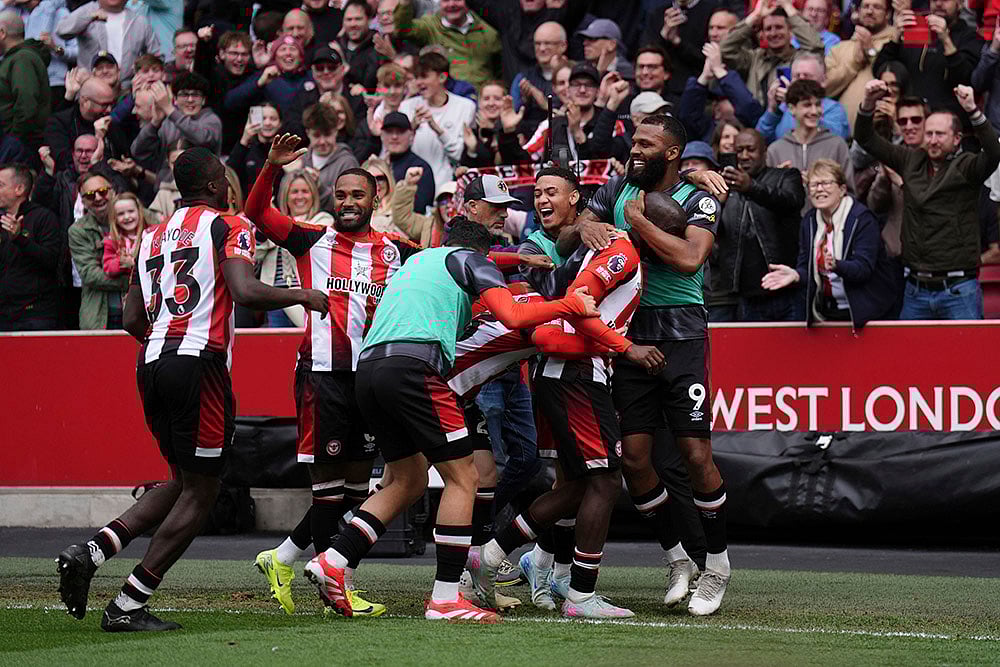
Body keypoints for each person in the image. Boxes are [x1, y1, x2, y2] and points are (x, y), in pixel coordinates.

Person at [56, 146, 329, 632]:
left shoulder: (153, 234)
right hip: (198, 364)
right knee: (203, 492)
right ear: (217, 186)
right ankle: (128, 604)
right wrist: (303, 295)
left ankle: (92, 550)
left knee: (182, 480)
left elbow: (132, 318)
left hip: (152, 362)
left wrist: (168, 338)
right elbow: (244, 291)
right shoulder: (228, 224)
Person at [304, 212, 598, 622]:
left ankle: (334, 559)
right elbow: (513, 315)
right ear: (479, 253)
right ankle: (445, 597)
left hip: (369, 369)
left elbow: (484, 269)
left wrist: (520, 261)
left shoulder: (418, 260)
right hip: (414, 367)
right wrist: (570, 304)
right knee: (466, 478)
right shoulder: (470, 261)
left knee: (406, 481)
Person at [567, 113, 731, 616]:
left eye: (645, 143)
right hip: (629, 336)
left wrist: (637, 223)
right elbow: (577, 225)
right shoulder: (618, 186)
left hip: (682, 335)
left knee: (695, 455)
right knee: (634, 458)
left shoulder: (699, 198)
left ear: (672, 153)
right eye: (633, 141)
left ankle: (718, 567)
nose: (634, 149)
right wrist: (590, 223)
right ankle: (678, 558)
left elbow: (688, 259)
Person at [857, 79, 1000, 319]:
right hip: (916, 288)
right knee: (909, 356)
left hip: (958, 289)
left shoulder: (967, 167)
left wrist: (972, 110)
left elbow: (994, 152)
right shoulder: (910, 160)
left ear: (957, 139)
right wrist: (868, 103)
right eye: (929, 133)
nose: (933, 140)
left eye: (940, 134)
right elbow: (866, 139)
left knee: (966, 355)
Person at [762, 158, 901, 329]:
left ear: (842, 189)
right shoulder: (809, 221)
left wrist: (837, 265)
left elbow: (863, 269)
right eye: (814, 185)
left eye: (826, 183)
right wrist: (796, 275)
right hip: (827, 311)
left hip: (867, 314)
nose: (819, 189)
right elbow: (807, 268)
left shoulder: (861, 219)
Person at [716, 128, 805, 321]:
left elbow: (791, 200)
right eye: (739, 151)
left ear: (765, 151)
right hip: (745, 297)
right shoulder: (726, 188)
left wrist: (751, 187)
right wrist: (717, 204)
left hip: (786, 292)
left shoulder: (787, 176)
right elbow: (716, 235)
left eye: (751, 149)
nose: (744, 156)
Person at [873, 0, 982, 131]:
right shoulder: (915, 29)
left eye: (945, 0)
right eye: (934, 0)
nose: (939, 4)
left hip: (949, 127)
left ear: (959, 4)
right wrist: (895, 37)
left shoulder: (970, 37)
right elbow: (880, 69)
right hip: (912, 123)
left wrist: (946, 40)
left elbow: (967, 80)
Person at [398, 51, 476, 195]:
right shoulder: (407, 106)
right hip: (413, 184)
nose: (419, 82)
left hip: (447, 188)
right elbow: (399, 150)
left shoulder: (465, 107)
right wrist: (412, 129)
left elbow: (458, 154)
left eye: (424, 76)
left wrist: (437, 129)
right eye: (417, 77)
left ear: (442, 77)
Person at [720, 0, 824, 106]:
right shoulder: (754, 58)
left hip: (791, 118)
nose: (773, 33)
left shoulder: (800, 59)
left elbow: (815, 47)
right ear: (763, 34)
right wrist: (755, 16)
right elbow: (725, 49)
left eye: (779, 27)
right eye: (768, 29)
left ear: (790, 31)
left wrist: (789, 10)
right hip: (756, 120)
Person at [765, 79, 852, 204]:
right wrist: (779, 179)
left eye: (817, 104)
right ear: (791, 108)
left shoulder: (837, 145)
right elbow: (766, 197)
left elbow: (850, 192)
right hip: (788, 221)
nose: (814, 111)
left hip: (828, 221)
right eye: (807, 105)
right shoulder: (775, 150)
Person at [0, 162, 60, 330]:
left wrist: (19, 238)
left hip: (35, 315)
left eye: (1, 185)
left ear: (19, 189)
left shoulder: (44, 218)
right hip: (4, 315)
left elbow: (51, 261)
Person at [643, 5, 741, 107]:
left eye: (720, 28)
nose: (713, 33)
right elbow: (644, 54)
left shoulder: (742, 55)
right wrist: (665, 37)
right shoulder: (657, 13)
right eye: (711, 28)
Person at [67, 172, 129, 329]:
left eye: (102, 191)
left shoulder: (137, 216)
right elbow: (90, 274)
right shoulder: (78, 230)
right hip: (100, 317)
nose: (98, 198)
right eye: (89, 195)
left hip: (138, 312)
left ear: (113, 191)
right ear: (83, 202)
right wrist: (130, 282)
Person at [392, 0, 501, 89]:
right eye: (446, 0)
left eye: (457, 0)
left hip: (483, 99)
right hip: (448, 99)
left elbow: (501, 66)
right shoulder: (431, 26)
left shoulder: (486, 27)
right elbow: (403, 29)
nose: (451, 4)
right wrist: (405, 3)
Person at [131, 72, 222, 179]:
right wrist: (155, 123)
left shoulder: (211, 120)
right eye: (184, 94)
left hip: (201, 187)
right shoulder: (167, 123)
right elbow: (138, 152)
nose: (190, 100)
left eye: (196, 95)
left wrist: (170, 110)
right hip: (166, 188)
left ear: (203, 100)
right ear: (175, 99)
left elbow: (202, 138)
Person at [56, 0, 161, 91]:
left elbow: (157, 56)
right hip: (91, 92)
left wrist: (142, 76)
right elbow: (62, 31)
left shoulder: (139, 21)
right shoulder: (87, 11)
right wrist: (90, 17)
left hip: (126, 91)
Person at [824, 0, 894, 131]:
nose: (869, 11)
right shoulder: (839, 48)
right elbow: (825, 89)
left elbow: (894, 80)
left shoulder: (895, 43)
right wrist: (854, 64)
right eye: (865, 6)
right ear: (858, 11)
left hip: (882, 134)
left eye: (877, 7)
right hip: (841, 134)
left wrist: (870, 52)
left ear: (888, 14)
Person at [756, 51, 850, 143]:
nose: (800, 82)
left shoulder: (833, 109)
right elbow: (760, 140)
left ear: (823, 81)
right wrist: (773, 110)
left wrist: (804, 107)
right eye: (796, 76)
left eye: (807, 76)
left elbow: (835, 140)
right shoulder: (783, 108)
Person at [283, 103, 360, 210]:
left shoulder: (347, 163)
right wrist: (289, 175)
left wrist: (319, 186)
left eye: (327, 134)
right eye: (316, 135)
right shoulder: (299, 159)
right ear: (308, 133)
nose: (322, 141)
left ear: (336, 132)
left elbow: (348, 206)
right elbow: (284, 202)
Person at [45, 76, 129, 173]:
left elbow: (122, 156)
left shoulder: (111, 124)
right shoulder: (59, 123)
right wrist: (98, 139)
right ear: (85, 101)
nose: (109, 110)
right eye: (104, 105)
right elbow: (64, 163)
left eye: (112, 104)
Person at [0, 11, 52, 156]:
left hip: (19, 143)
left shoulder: (22, 59)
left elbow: (26, 103)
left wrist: (14, 137)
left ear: (2, 32)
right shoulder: (14, 58)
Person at [510, 22, 569, 134]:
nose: (542, 48)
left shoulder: (575, 73)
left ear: (563, 46)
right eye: (537, 43)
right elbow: (513, 114)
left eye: (548, 43)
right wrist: (525, 101)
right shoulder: (523, 78)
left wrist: (545, 103)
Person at [19, 0, 78, 111]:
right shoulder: (18, 15)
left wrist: (56, 48)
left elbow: (78, 51)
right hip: (27, 84)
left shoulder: (61, 13)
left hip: (56, 84)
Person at [381, 111, 436, 214]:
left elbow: (420, 208)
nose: (394, 136)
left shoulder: (420, 168)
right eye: (389, 131)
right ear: (382, 135)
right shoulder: (377, 166)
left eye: (400, 131)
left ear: (412, 134)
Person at [226, 102, 281, 196]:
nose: (267, 123)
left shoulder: (284, 150)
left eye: (273, 119)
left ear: (280, 123)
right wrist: (244, 139)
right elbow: (229, 174)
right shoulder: (245, 149)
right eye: (263, 118)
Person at [391, 166, 450, 246]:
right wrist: (408, 184)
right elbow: (402, 216)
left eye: (453, 200)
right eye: (443, 202)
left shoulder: (470, 228)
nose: (448, 205)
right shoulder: (429, 223)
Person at [100, 191, 145, 285]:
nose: (127, 217)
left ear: (139, 211)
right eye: (121, 214)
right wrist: (121, 262)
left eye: (131, 211)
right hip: (125, 290)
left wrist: (136, 263)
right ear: (114, 218)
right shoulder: (112, 240)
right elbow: (108, 267)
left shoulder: (150, 234)